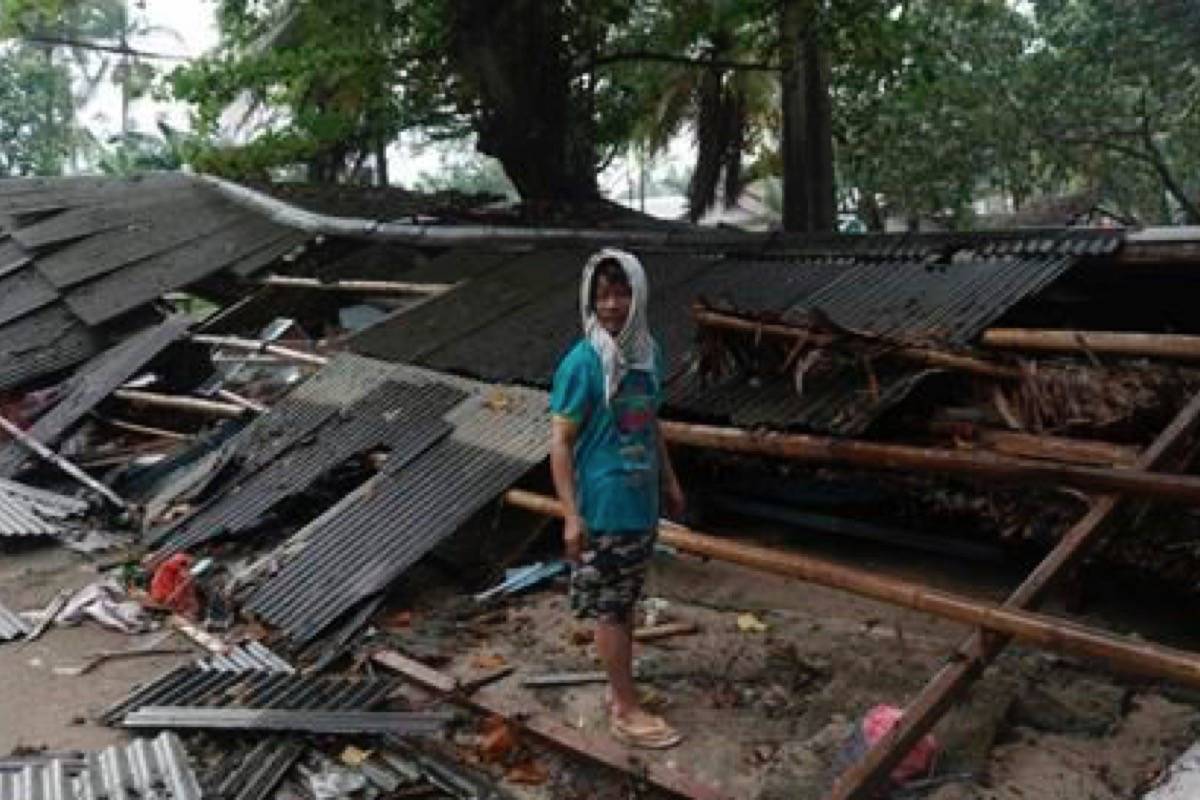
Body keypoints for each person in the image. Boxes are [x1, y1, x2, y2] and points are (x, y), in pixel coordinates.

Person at [549, 248, 685, 749]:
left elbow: (651, 422)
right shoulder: (582, 363)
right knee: (612, 607)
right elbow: (560, 443)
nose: (612, 304)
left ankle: (618, 692)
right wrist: (570, 515)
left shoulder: (648, 353)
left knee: (624, 601)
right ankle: (625, 709)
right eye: (602, 294)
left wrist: (669, 481)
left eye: (621, 292)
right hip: (605, 504)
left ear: (639, 294)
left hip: (641, 499)